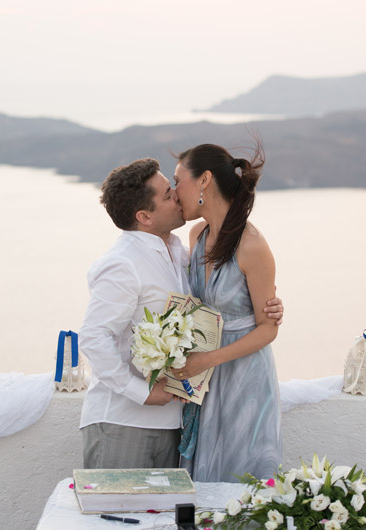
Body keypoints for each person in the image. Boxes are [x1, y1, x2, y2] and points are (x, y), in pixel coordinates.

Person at [79, 157, 283, 470]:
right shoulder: (122, 262)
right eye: (166, 194)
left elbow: (217, 296)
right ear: (145, 216)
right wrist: (143, 393)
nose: (176, 194)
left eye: (172, 186)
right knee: (119, 518)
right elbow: (94, 337)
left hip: (173, 422)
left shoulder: (179, 250)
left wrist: (267, 302)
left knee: (166, 519)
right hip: (124, 423)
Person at [171, 142, 282, 482]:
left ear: (204, 180)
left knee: (241, 481)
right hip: (204, 378)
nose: (175, 192)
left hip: (244, 378)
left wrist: (208, 360)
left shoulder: (252, 245)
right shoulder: (197, 235)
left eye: (178, 181)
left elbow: (268, 329)